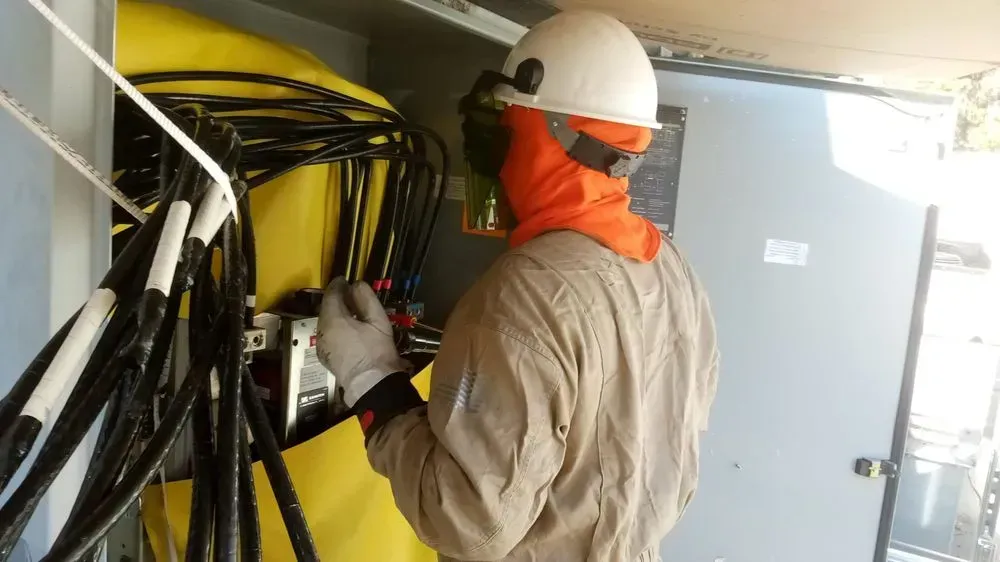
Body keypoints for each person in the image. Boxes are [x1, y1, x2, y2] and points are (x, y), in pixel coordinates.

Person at [316, 10, 718, 562]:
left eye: (507, 125)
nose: (494, 150)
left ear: (553, 130)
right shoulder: (673, 269)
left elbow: (470, 525)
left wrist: (372, 383)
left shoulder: (526, 292)